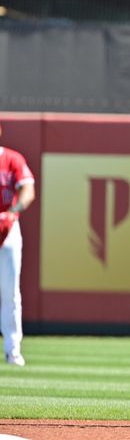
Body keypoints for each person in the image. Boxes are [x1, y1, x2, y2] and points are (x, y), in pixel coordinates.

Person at [0, 122, 35, 367]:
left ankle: (13, 349)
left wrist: (13, 211)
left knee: (10, 292)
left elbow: (28, 191)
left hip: (7, 228)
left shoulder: (12, 159)